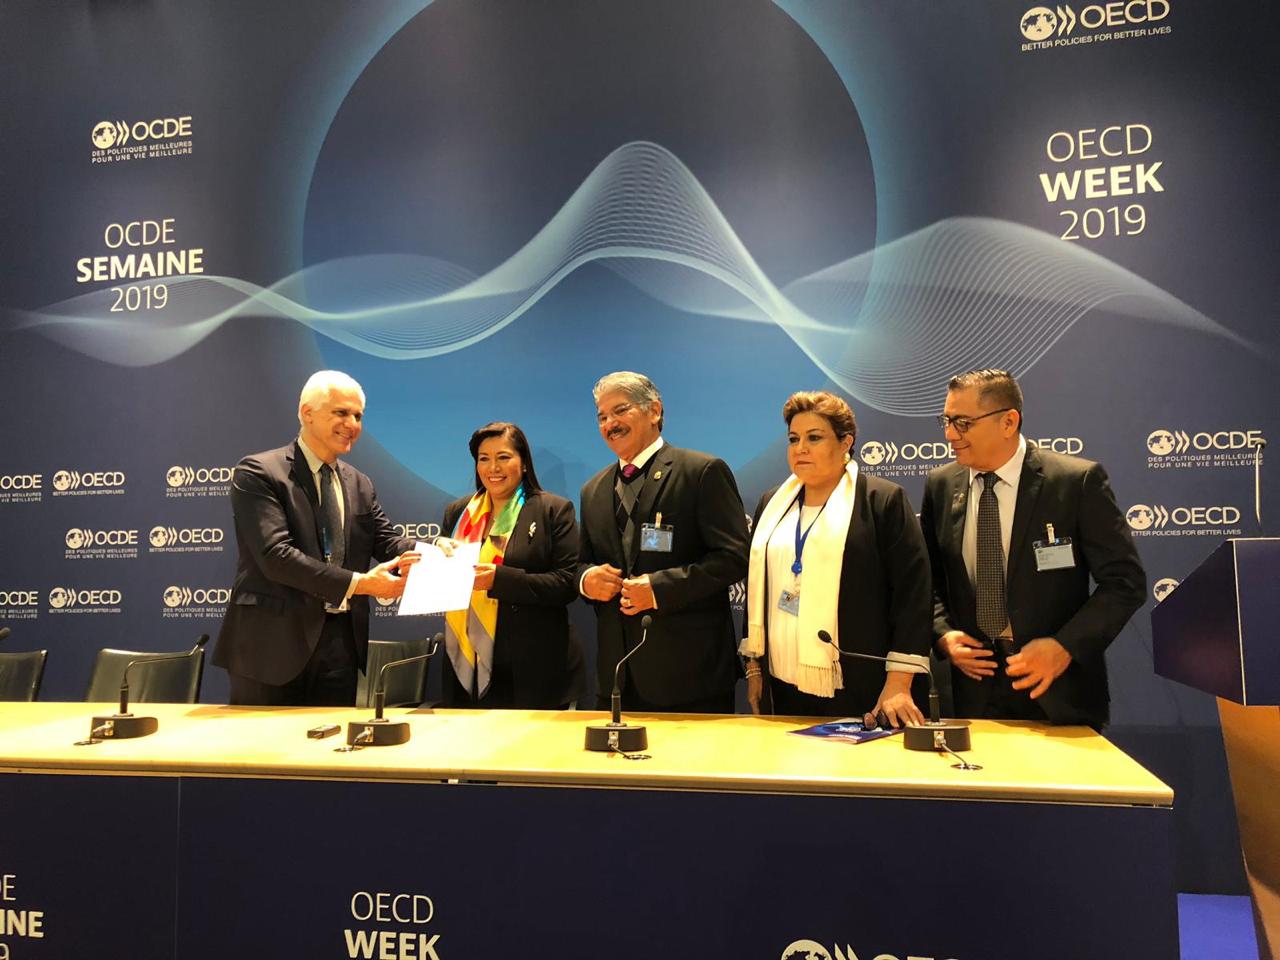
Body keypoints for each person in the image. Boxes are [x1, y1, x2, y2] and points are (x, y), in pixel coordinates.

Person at [919, 369, 1146, 727]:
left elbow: (1124, 583)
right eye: (946, 421)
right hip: (969, 692)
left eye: (963, 423)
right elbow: (928, 580)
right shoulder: (941, 484)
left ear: (1008, 422)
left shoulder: (1075, 482)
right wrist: (944, 634)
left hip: (1057, 689)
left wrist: (1065, 646)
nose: (950, 434)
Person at [213, 371, 425, 706]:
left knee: (331, 739)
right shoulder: (259, 472)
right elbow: (276, 557)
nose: (352, 424)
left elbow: (387, 541)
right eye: (341, 413)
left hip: (340, 646)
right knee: (263, 740)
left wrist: (436, 551)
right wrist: (362, 584)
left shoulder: (360, 483)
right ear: (307, 413)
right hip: (270, 647)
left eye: (358, 416)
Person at [740, 391, 931, 726]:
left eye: (814, 438)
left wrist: (899, 683)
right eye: (794, 439)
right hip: (782, 682)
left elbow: (913, 598)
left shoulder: (881, 500)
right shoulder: (773, 504)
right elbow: (758, 588)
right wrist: (754, 668)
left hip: (863, 683)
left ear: (846, 442)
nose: (801, 448)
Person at [579, 371, 749, 713]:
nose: (610, 423)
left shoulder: (701, 471)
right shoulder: (592, 490)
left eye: (620, 410)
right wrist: (586, 580)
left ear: (654, 411)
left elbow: (734, 557)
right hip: (617, 678)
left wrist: (660, 588)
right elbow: (582, 563)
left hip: (690, 677)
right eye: (602, 416)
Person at [441, 422, 582, 708]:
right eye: (484, 459)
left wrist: (499, 580)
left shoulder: (553, 510)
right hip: (468, 660)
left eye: (503, 457)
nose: (493, 467)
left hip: (532, 664)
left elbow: (566, 583)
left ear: (524, 463)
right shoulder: (458, 512)